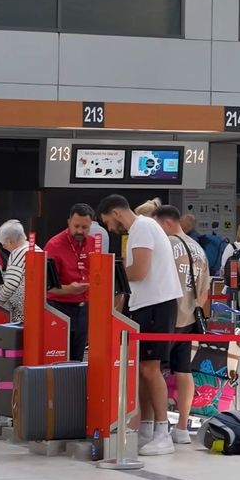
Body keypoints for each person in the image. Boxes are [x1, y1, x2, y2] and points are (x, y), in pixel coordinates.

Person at [97, 194, 183, 457]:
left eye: (108, 222)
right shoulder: (140, 229)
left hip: (157, 305)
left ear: (116, 213)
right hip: (145, 305)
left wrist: (106, 273)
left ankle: (162, 432)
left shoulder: (143, 227)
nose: (110, 227)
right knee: (142, 370)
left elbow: (139, 271)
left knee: (150, 369)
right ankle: (147, 427)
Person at [155, 205, 210, 445]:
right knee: (184, 371)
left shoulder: (166, 244)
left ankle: (157, 426)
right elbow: (205, 291)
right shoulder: (199, 249)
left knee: (153, 371)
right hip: (190, 319)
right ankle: (182, 428)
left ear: (166, 223)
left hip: (166, 317)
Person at [44, 204, 96, 362]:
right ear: (68, 222)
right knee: (59, 354)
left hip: (84, 307)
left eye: (85, 227)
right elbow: (47, 286)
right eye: (76, 226)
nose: (80, 231)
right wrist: (69, 289)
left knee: (78, 355)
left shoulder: (93, 243)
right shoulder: (54, 245)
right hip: (59, 307)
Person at [0, 220, 27, 323]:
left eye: (4, 244)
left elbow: (11, 284)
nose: (4, 247)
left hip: (20, 311)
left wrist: (0, 300)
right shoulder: (36, 249)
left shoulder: (17, 253)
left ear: (9, 241)